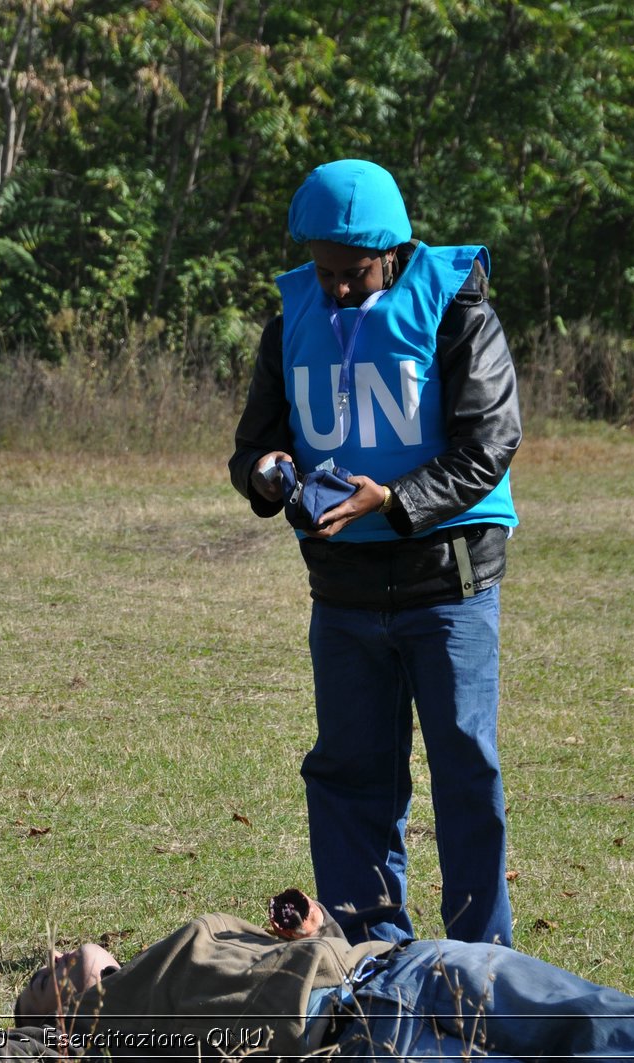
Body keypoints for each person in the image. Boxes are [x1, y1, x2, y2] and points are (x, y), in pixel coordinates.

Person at [229, 159, 521, 946]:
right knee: (348, 775)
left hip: (447, 581)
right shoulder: (291, 317)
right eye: (324, 273)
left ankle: (478, 959)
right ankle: (369, 950)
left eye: (352, 273)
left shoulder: (458, 310)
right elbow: (256, 445)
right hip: (346, 591)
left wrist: (393, 502)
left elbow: (489, 442)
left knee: (465, 774)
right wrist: (266, 475)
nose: (338, 290)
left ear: (390, 251)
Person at [0, 898, 634, 1061]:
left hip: (419, 962)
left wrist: (312, 921)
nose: (65, 955)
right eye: (53, 974)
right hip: (365, 1032)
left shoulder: (178, 942)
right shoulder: (99, 1034)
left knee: (631, 1031)